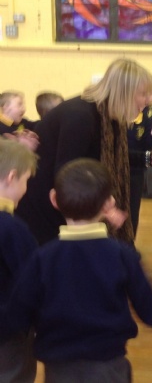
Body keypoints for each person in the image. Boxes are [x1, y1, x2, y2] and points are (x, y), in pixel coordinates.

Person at [1, 158, 152, 382]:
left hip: (59, 370)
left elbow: (19, 309)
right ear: (108, 204)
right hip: (109, 367)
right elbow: (148, 304)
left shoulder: (42, 259)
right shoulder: (122, 255)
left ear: (54, 199)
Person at [15, 58, 152, 246]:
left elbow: (113, 156)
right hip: (44, 207)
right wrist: (104, 208)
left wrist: (148, 158)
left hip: (62, 201)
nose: (149, 100)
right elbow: (67, 175)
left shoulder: (110, 115)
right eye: (143, 94)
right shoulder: (81, 116)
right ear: (124, 92)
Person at [0, 138, 38, 383]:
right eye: (25, 181)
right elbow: (32, 281)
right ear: (11, 177)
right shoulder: (12, 229)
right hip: (7, 336)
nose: (25, 189)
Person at [128, 82, 152, 237]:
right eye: (143, 95)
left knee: (133, 208)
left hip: (137, 167)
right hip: (125, 166)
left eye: (147, 95)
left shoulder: (148, 116)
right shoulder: (125, 116)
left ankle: (130, 239)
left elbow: (148, 143)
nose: (146, 99)